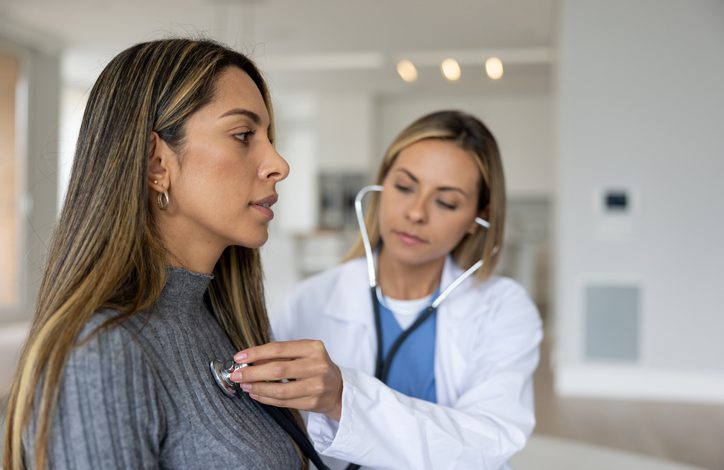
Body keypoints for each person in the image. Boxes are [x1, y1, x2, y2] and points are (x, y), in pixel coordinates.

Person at [2, 38, 314, 470]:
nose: (279, 163)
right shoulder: (102, 352)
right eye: (244, 135)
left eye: (268, 137)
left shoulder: (218, 322)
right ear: (156, 164)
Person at [230, 110, 543, 469]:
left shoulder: (504, 309)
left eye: (446, 201)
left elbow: (488, 443)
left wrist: (344, 398)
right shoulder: (311, 300)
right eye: (405, 187)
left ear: (478, 217)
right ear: (381, 186)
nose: (416, 212)